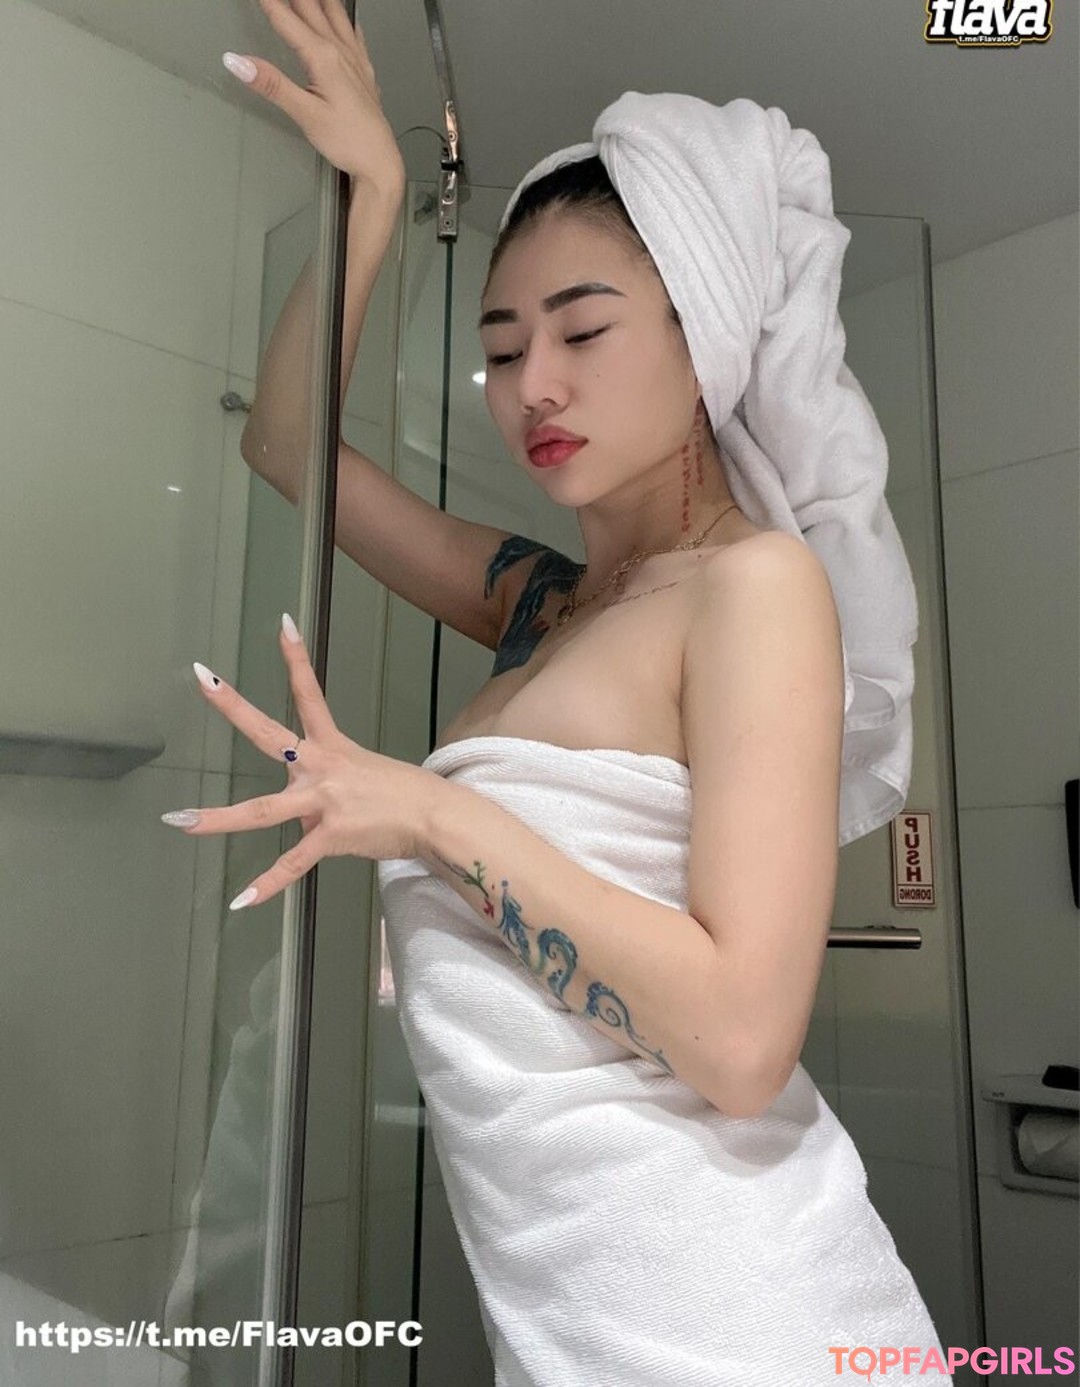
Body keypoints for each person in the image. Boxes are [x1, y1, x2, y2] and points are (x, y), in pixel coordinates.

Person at [226, 3, 949, 1383]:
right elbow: (286, 443)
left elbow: (743, 1043)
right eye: (503, 349)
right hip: (590, 1329)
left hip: (749, 1322)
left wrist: (430, 815)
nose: (531, 387)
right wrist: (371, 197)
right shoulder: (541, 604)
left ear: (702, 336)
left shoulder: (756, 588)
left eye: (583, 331)